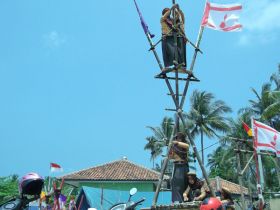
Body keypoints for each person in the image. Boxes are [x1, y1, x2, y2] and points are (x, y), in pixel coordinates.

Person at [161, 4, 186, 69]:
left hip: (176, 36)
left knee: (179, 51)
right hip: (167, 36)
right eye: (167, 12)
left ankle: (181, 65)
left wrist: (178, 9)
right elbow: (165, 16)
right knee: (169, 51)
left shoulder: (172, 21)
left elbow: (180, 16)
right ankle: (167, 66)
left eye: (169, 12)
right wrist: (171, 8)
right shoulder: (162, 19)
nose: (169, 13)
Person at [169, 132, 190, 203]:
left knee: (186, 183)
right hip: (177, 166)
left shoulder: (184, 145)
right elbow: (170, 157)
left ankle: (187, 199)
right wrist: (170, 150)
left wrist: (176, 143)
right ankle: (178, 200)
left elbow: (187, 146)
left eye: (180, 138)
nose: (178, 139)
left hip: (184, 166)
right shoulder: (174, 147)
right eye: (177, 138)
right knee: (177, 184)